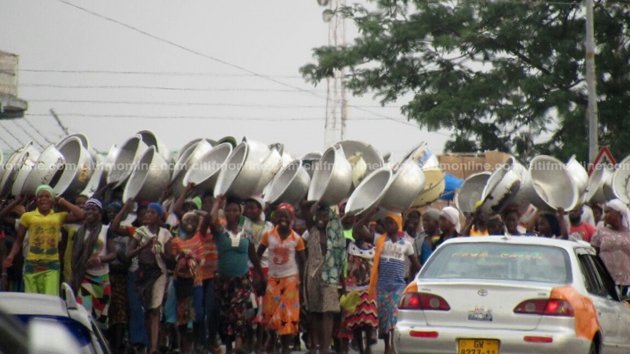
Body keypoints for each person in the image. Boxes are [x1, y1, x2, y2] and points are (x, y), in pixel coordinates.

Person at [355, 209, 420, 354]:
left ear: (398, 224)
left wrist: (409, 282)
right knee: (384, 319)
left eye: (391, 222)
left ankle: (389, 347)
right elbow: (357, 229)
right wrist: (371, 214)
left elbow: (416, 265)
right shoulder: (380, 240)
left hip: (397, 286)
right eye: (386, 223)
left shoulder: (406, 245)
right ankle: (388, 344)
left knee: (392, 315)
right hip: (382, 285)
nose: (387, 225)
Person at [3, 185, 85, 295]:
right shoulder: (27, 216)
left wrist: (62, 201)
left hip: (51, 266)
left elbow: (81, 215)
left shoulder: (59, 217)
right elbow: (19, 241)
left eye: (47, 196)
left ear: (53, 200)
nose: (43, 199)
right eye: (40, 196)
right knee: (32, 300)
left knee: (50, 299)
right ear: (36, 200)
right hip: (32, 264)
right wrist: (11, 256)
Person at [209, 196, 265, 354]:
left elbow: (253, 256)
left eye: (235, 210)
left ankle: (239, 345)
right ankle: (228, 347)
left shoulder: (246, 234)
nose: (231, 213)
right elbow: (210, 220)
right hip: (222, 279)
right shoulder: (219, 231)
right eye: (228, 210)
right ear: (224, 212)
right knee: (225, 313)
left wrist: (261, 275)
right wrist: (217, 204)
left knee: (238, 310)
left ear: (240, 213)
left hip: (242, 279)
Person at [257, 203, 306, 354]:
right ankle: (272, 339)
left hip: (290, 279)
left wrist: (302, 283)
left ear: (291, 219)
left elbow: (303, 261)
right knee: (270, 313)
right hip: (273, 278)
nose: (283, 218)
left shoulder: (296, 239)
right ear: (276, 218)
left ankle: (285, 347)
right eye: (280, 215)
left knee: (288, 315)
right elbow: (257, 255)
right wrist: (259, 276)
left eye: (286, 216)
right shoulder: (268, 235)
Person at [126, 202, 174, 354]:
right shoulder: (140, 232)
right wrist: (144, 246)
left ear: (159, 216)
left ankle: (153, 347)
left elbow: (170, 259)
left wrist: (158, 251)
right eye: (147, 213)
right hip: (142, 273)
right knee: (146, 309)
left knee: (155, 310)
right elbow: (129, 253)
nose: (148, 215)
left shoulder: (165, 234)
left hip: (158, 272)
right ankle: (148, 343)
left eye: (152, 213)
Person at [302, 204, 347, 354]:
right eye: (319, 215)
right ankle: (314, 346)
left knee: (328, 311)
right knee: (314, 311)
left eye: (325, 216)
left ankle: (325, 348)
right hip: (313, 275)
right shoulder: (312, 229)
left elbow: (338, 260)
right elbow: (304, 208)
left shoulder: (334, 234)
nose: (321, 218)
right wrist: (317, 203)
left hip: (331, 276)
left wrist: (343, 282)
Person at [70, 198, 116, 329]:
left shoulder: (106, 230)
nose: (90, 211)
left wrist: (99, 260)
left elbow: (113, 254)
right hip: (84, 277)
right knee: (84, 312)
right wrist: (73, 276)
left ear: (100, 215)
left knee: (101, 317)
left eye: (94, 209)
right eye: (87, 209)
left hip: (102, 278)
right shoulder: (80, 232)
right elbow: (75, 256)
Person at [591, 199, 630, 296]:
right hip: (605, 281)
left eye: (608, 212)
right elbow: (593, 255)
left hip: (626, 284)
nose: (605, 216)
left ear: (618, 213)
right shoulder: (600, 233)